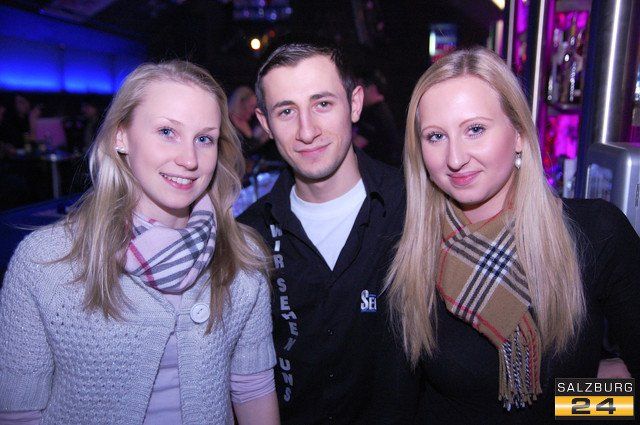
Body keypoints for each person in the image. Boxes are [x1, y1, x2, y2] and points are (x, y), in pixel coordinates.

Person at [0, 60, 279, 424]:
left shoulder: (242, 256)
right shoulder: (46, 261)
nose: (189, 159)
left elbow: (253, 389)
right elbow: (20, 413)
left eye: (204, 139)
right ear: (121, 137)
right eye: (167, 131)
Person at [385, 46, 640, 424]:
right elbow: (401, 404)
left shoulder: (595, 234)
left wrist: (576, 402)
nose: (455, 158)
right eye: (436, 136)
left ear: (519, 133)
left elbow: (623, 398)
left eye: (475, 129)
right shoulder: (412, 251)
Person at [238, 41, 418, 424]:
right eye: (287, 111)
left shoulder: (415, 209)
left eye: (322, 104)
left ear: (354, 104)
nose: (307, 131)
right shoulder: (250, 236)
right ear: (265, 124)